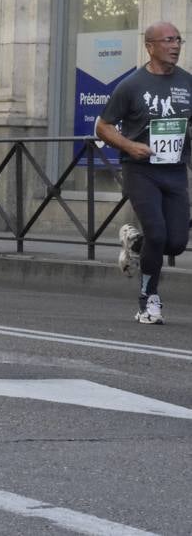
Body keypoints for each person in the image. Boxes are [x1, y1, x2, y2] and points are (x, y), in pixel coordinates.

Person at [97, 21, 192, 325]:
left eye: (179, 40)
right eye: (168, 40)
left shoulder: (187, 83)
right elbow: (103, 127)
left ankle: (135, 243)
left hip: (175, 171)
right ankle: (148, 301)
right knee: (158, 232)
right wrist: (130, 145)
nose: (175, 45)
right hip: (141, 171)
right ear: (150, 46)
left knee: (175, 242)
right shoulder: (132, 86)